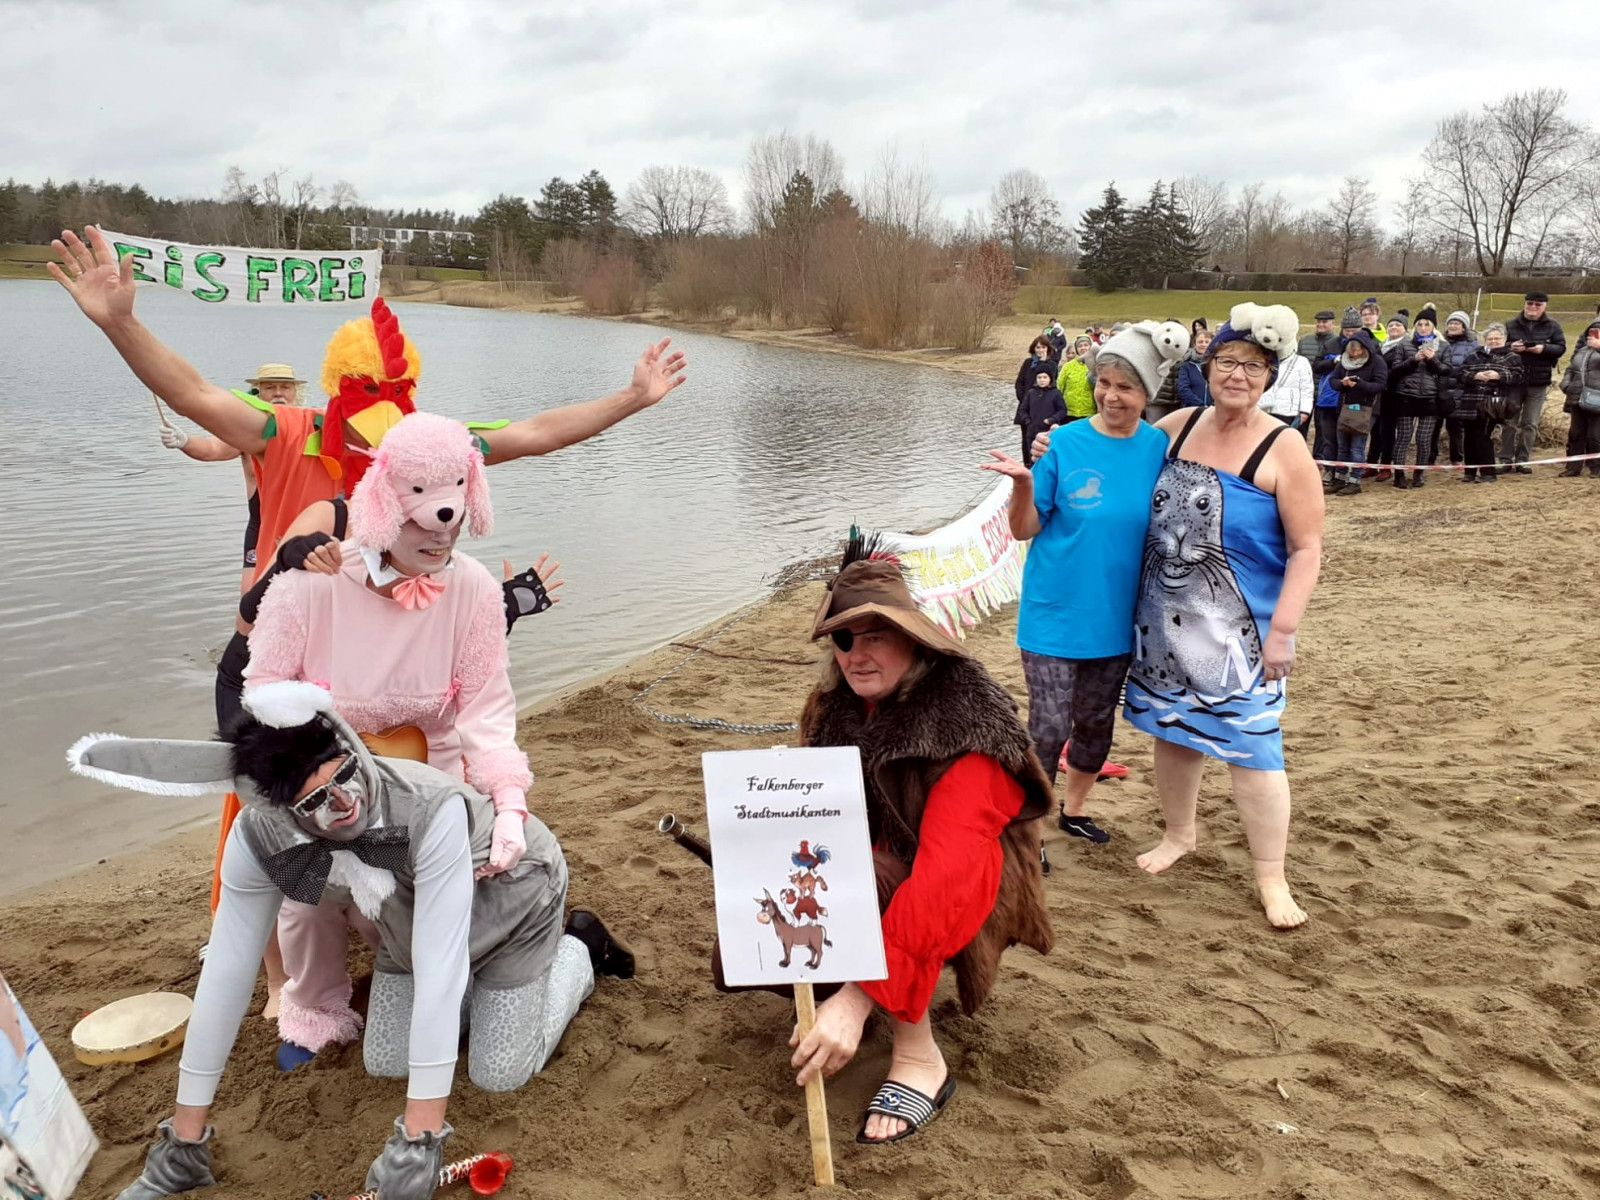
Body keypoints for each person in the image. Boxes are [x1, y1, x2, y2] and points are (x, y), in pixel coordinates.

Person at [70, 686, 632, 1200]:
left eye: (343, 776)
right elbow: (226, 974)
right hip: (411, 913)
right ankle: (487, 997)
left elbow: (440, 967)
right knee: (387, 1063)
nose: (343, 805)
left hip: (511, 892)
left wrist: (418, 1143)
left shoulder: (426, 807)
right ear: (280, 811)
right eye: (314, 803)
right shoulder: (260, 834)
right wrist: (182, 1144)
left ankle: (579, 949)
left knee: (498, 1072)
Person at [49, 226, 689, 577]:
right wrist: (120, 324)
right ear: (335, 389)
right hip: (284, 626)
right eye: (367, 394)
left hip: (388, 635)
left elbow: (539, 431)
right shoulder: (288, 428)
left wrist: (633, 397)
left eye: (393, 395)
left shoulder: (430, 447)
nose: (379, 417)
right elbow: (193, 394)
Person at [242, 413, 550, 1064]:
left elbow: (488, 715)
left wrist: (509, 805)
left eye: (454, 517)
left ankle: (428, 958)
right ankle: (314, 1002)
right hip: (325, 781)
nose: (440, 536)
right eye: (420, 519)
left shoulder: (471, 592)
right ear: (383, 501)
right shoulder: (311, 583)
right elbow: (261, 688)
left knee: (420, 1002)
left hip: (428, 795)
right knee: (303, 884)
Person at [782, 546, 1054, 1144]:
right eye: (844, 640)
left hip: (972, 877)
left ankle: (921, 1058)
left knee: (889, 887)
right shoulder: (835, 709)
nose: (857, 655)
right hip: (882, 858)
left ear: (915, 638)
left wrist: (856, 1000)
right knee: (763, 925)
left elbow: (947, 876)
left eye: (876, 635)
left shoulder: (967, 723)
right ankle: (864, 983)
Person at [1123, 309, 1324, 929]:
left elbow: (1307, 549)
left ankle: (1271, 874)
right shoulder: (1176, 426)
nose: (1238, 375)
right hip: (1161, 622)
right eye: (1227, 363)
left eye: (1253, 366)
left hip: (1244, 635)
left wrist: (1284, 630)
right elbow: (1108, 461)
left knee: (1254, 752)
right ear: (1207, 368)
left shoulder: (1284, 446)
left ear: (1271, 374)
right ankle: (1180, 835)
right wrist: (1055, 448)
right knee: (1172, 733)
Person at [983, 323, 1181, 844]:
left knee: (1095, 726)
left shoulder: (1157, 448)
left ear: (1147, 394)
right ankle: (1030, 832)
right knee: (1048, 727)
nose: (1112, 395)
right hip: (1053, 612)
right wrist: (1023, 486)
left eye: (1127, 386)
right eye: (1105, 383)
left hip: (1116, 619)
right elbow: (1024, 529)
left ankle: (1073, 810)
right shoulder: (1064, 443)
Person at [159, 364, 306, 592]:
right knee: (250, 601)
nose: (278, 393)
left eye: (285, 387)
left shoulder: (310, 426)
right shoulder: (247, 432)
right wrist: (184, 441)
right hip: (261, 527)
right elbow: (212, 449)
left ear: (295, 392)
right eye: (270, 387)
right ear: (259, 391)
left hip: (303, 527)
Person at [1501, 291, 1568, 473]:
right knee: (1509, 422)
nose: (1533, 307)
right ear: (1524, 304)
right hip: (1513, 381)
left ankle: (1523, 459)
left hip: (1538, 382)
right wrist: (1510, 347)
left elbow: (1561, 347)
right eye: (1530, 303)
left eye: (1538, 305)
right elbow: (1496, 346)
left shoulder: (1553, 326)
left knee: (1530, 423)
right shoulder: (1510, 324)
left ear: (1544, 307)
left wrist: (1543, 349)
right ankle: (1505, 459)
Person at [1386, 304, 1449, 489]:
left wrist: (1432, 359)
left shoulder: (1443, 346)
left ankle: (1419, 473)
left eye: (1427, 324)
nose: (1423, 327)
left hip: (1430, 398)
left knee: (1423, 439)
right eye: (1419, 324)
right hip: (1405, 396)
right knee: (1403, 437)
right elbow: (1395, 369)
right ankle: (1398, 474)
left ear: (1433, 327)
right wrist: (1413, 360)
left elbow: (1447, 370)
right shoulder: (1404, 345)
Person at [1454, 323, 1523, 482]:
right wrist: (1475, 376)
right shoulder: (1474, 355)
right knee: (1469, 437)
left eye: (1497, 338)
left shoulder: (1512, 357)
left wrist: (1498, 375)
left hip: (1492, 404)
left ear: (1504, 339)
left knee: (1483, 436)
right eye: (1490, 339)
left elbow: (1518, 377)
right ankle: (1469, 472)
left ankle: (1488, 473)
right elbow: (1460, 373)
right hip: (1470, 402)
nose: (1493, 341)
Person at [1324, 329, 1387, 495]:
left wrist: (1359, 383)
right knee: (1342, 446)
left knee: (1357, 448)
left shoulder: (1377, 362)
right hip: (1345, 408)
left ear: (1365, 349)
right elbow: (1333, 381)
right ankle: (1340, 479)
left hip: (1366, 410)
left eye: (1357, 350)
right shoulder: (1343, 362)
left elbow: (1380, 386)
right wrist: (1342, 383)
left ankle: (1355, 481)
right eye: (1351, 350)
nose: (1354, 353)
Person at [1313, 309, 1362, 478]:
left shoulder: (1369, 345)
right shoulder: (1331, 344)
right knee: (1329, 439)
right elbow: (1317, 366)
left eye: (1353, 331)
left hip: (1353, 401)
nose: (1349, 334)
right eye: (1347, 330)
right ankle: (1330, 470)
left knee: (1348, 441)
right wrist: (1333, 361)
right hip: (1328, 399)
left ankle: (1347, 473)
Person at [1436, 311, 1480, 470]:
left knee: (1455, 427)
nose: (1453, 326)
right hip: (1439, 390)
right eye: (1450, 323)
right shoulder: (1439, 341)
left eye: (1457, 323)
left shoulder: (1473, 344)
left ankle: (1457, 458)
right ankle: (1430, 457)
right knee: (1434, 426)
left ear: (1464, 327)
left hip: (1460, 391)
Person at [1557, 319, 1600, 478]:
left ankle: (1596, 468)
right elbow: (1570, 370)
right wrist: (1566, 385)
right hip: (1577, 398)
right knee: (1575, 434)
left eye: (1597, 332)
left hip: (1597, 399)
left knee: (1595, 436)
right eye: (1591, 332)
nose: (1592, 335)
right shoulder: (1581, 351)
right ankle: (1573, 467)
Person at [1012, 367, 1066, 468]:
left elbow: (1062, 410)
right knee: (1033, 460)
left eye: (1045, 377)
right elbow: (1023, 409)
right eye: (1039, 377)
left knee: (1048, 460)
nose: (1042, 380)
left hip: (1048, 432)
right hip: (1032, 432)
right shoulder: (1031, 393)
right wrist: (1027, 420)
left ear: (1050, 379)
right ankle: (1033, 479)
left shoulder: (1055, 393)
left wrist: (1052, 419)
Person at [1255, 345, 1313, 430]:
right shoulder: (1266, 359)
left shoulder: (1301, 362)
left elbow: (1307, 388)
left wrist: (1305, 411)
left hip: (1288, 412)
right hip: (1263, 409)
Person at [1013, 335, 1060, 411]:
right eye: (1038, 347)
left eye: (1043, 347)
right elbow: (1019, 382)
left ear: (1048, 348)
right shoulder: (1028, 362)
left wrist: (1042, 362)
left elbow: (1051, 383)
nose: (1040, 350)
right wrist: (1023, 399)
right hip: (1026, 403)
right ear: (1034, 348)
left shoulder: (1052, 364)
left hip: (1044, 405)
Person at [1056, 336, 1097, 423]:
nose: (1083, 348)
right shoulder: (1067, 366)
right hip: (1069, 412)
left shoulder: (1096, 365)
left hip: (1089, 412)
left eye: (1086, 345)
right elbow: (1059, 387)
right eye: (1080, 346)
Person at [1298, 311, 1340, 389]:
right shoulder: (1305, 340)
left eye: (1324, 322)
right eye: (1318, 322)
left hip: (1327, 390)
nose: (1320, 324)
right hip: (1305, 387)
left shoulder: (1338, 342)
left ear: (1332, 323)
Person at [1177, 329, 1213, 407]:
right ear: (1194, 344)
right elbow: (1183, 389)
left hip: (1214, 410)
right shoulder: (1186, 365)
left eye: (1207, 342)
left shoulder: (1216, 364)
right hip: (1191, 409)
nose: (1204, 345)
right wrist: (1200, 404)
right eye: (1200, 342)